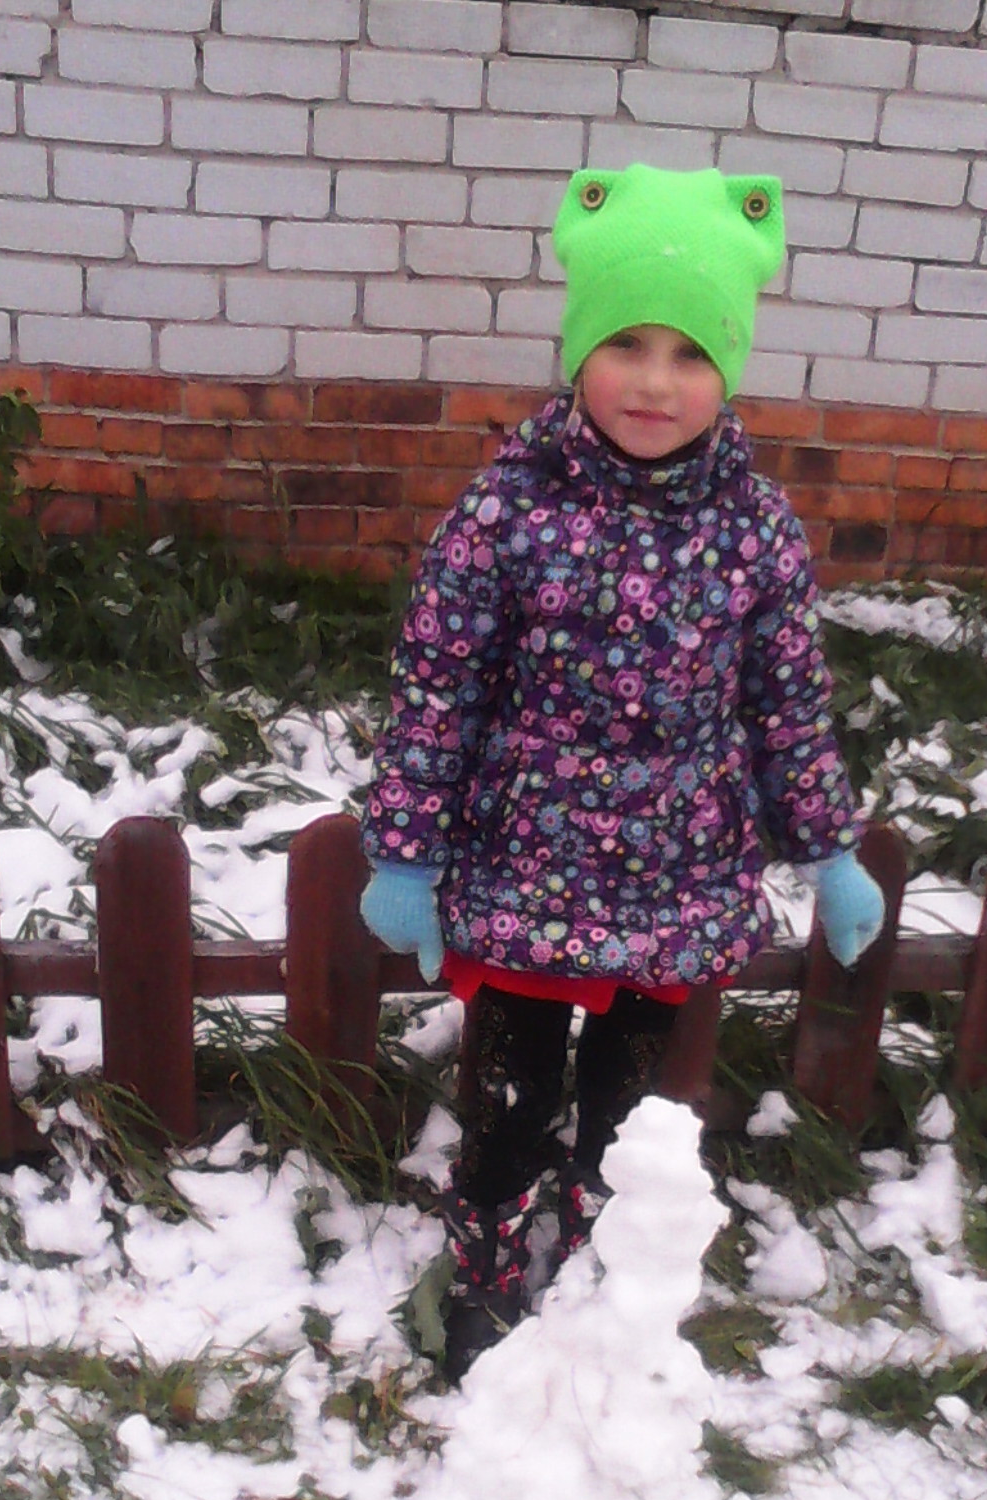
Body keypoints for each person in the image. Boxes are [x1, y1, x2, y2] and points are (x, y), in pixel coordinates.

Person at [358, 162, 885, 1385]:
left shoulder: (755, 528)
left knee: (627, 1109)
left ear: (729, 367)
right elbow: (440, 684)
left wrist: (829, 849)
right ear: (578, 350)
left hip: (674, 874)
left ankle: (606, 1272)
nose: (655, 381)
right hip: (526, 868)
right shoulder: (508, 509)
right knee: (511, 1096)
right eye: (627, 344)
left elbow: (786, 704)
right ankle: (489, 1263)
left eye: (691, 353)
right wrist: (406, 852)